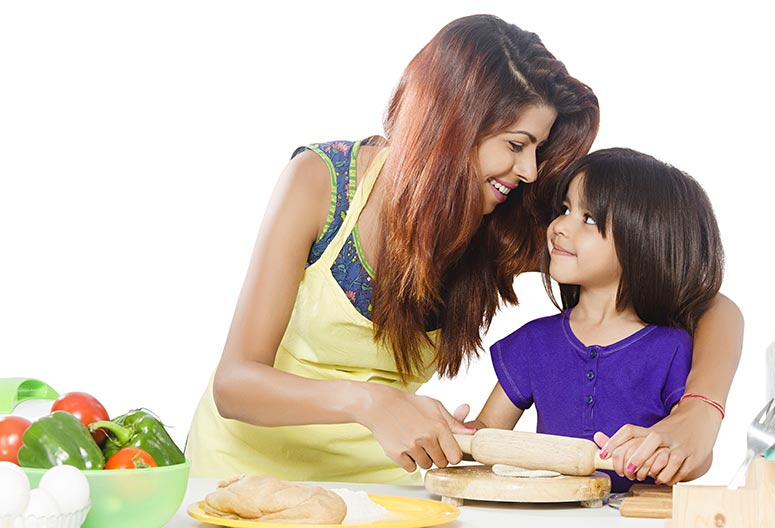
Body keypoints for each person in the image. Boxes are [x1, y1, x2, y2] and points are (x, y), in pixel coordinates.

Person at [184, 14, 602, 483]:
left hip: (382, 499)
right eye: (516, 144)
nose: (528, 170)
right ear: (454, 124)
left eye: (536, 151)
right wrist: (372, 403)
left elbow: (679, 273)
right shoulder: (321, 182)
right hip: (237, 482)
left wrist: (698, 412)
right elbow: (235, 384)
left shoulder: (502, 227)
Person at [465, 148, 730, 491]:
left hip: (634, 527)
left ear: (643, 240)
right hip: (549, 521)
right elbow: (488, 429)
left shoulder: (672, 347)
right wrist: (457, 435)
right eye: (564, 209)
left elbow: (694, 451)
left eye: (588, 218)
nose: (560, 226)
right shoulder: (534, 341)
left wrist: (667, 458)